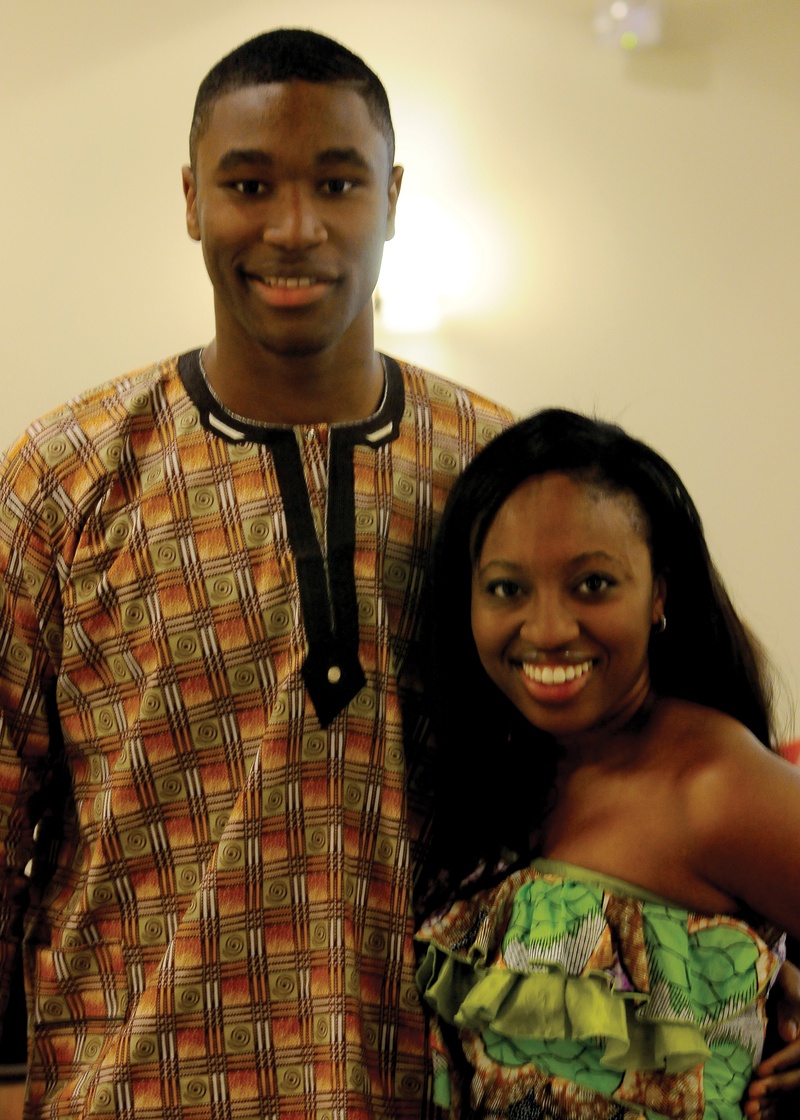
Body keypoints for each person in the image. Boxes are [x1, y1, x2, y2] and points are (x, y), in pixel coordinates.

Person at [0, 28, 514, 1120]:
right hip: (132, 1092)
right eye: (248, 185)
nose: (294, 228)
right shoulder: (63, 478)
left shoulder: (496, 474)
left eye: (337, 183)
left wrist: (750, 974)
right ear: (192, 200)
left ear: (392, 198)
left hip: (428, 1092)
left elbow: (625, 771)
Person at [415, 408, 800, 1120]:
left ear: (659, 594)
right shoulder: (494, 770)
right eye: (506, 589)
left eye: (592, 584)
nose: (549, 630)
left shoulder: (712, 786)